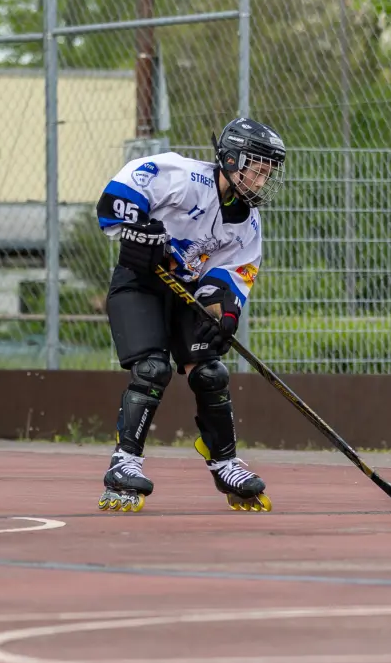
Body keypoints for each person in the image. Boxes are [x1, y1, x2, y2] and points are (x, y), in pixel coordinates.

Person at [94, 117, 285, 512]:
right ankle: (124, 463)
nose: (262, 180)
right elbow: (117, 198)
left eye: (268, 173)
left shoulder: (248, 223)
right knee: (152, 368)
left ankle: (225, 461)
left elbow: (230, 277)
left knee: (210, 372)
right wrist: (139, 227)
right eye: (257, 169)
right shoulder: (184, 177)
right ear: (231, 160)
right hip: (140, 283)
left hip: (186, 292)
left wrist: (224, 317)